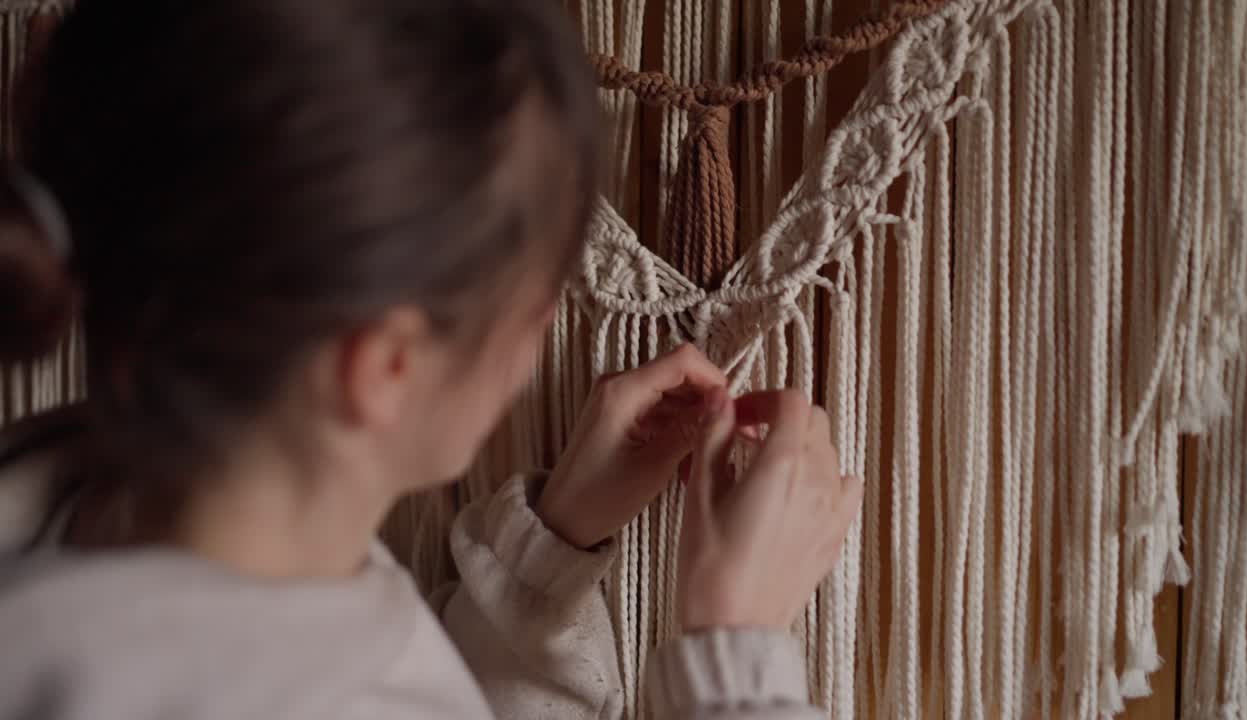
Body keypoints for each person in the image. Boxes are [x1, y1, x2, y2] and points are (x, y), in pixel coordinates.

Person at [0, 1, 864, 718]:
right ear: (386, 367)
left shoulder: (65, 515)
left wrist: (549, 555)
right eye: (540, 301)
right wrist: (736, 652)